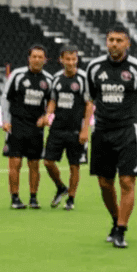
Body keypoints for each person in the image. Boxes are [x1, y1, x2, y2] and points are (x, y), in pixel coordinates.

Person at [85, 27, 137, 248]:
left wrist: (128, 116)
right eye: (111, 40)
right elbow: (91, 97)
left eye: (119, 40)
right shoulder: (94, 68)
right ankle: (115, 220)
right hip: (102, 131)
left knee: (126, 181)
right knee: (104, 183)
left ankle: (121, 230)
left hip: (127, 131)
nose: (114, 44)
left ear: (127, 43)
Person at [2, 45, 53, 210]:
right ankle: (15, 198)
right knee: (15, 162)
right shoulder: (17, 75)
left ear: (45, 60)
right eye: (34, 56)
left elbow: (52, 103)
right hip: (16, 125)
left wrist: (47, 117)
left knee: (34, 164)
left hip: (35, 128)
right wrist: (5, 120)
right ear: (29, 58)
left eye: (40, 57)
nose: (37, 60)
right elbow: (5, 98)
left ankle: (33, 198)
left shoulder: (49, 80)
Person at [42, 44, 92, 210]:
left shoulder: (83, 79)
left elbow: (89, 105)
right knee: (48, 162)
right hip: (57, 128)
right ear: (61, 60)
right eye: (68, 59)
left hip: (75, 129)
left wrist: (85, 129)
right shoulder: (56, 79)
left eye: (74, 59)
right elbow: (53, 101)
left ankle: (71, 198)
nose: (71, 62)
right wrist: (48, 115)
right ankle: (61, 187)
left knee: (74, 165)